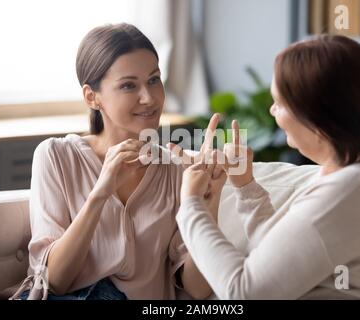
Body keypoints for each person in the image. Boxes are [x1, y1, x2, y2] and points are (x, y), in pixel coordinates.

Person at [174, 35, 360, 299]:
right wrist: (245, 186)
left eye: (280, 103)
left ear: (318, 118)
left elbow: (244, 292)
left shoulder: (346, 194)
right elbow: (278, 256)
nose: (272, 112)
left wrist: (191, 205)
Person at [11, 23, 214, 300]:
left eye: (154, 79)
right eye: (129, 85)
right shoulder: (56, 156)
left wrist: (207, 200)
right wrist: (100, 193)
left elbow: (197, 289)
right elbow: (54, 281)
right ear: (91, 97)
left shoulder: (175, 169)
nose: (149, 97)